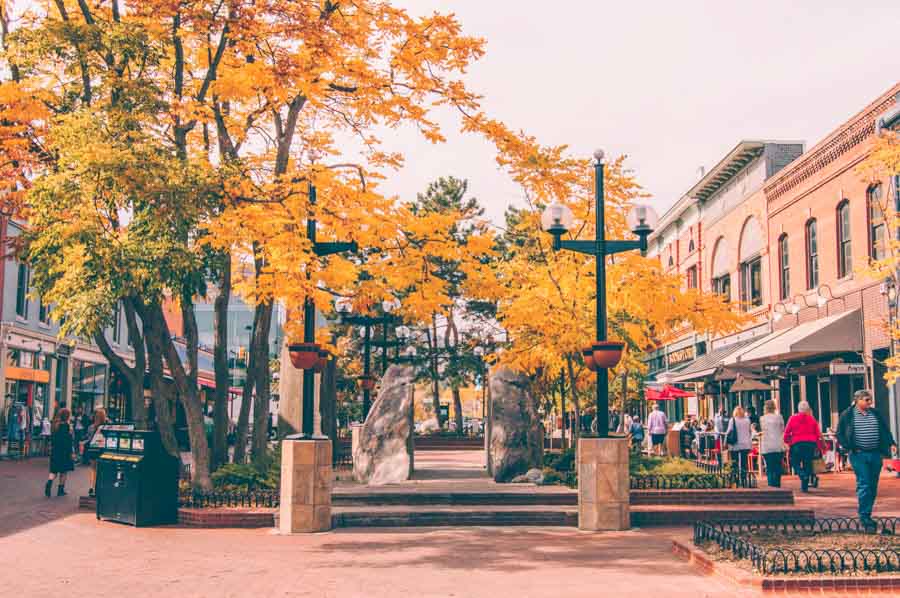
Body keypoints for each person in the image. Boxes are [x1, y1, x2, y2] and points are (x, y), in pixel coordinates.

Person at [836, 389, 897, 528]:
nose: (870, 402)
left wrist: (891, 443)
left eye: (870, 399)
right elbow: (839, 433)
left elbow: (885, 429)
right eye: (866, 400)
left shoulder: (875, 413)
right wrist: (848, 447)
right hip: (858, 454)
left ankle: (867, 513)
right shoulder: (848, 414)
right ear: (857, 400)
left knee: (873, 485)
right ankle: (864, 515)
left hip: (875, 454)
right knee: (864, 483)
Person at [783, 401, 824, 493]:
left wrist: (788, 441)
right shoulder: (812, 419)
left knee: (794, 462)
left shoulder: (792, 418)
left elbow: (786, 432)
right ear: (807, 409)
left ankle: (802, 475)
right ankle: (804, 487)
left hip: (797, 443)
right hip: (810, 444)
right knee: (807, 464)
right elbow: (817, 434)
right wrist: (818, 446)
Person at [45, 408, 74, 497]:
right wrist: (71, 452)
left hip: (55, 450)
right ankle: (60, 490)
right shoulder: (67, 427)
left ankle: (49, 483)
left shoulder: (55, 425)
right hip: (64, 451)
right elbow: (68, 441)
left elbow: (52, 439)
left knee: (53, 470)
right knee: (63, 471)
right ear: (67, 416)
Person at [759, 399, 786, 488]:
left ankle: (771, 485)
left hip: (767, 446)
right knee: (778, 466)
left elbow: (763, 430)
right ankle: (777, 484)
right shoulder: (779, 417)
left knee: (770, 467)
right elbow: (782, 429)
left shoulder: (762, 418)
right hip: (778, 445)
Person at [84, 408, 108, 497]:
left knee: (93, 469)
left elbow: (88, 438)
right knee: (101, 469)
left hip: (92, 450)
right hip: (102, 450)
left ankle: (92, 487)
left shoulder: (91, 427)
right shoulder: (106, 427)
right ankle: (99, 487)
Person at [725, 406, 752, 473]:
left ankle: (736, 476)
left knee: (734, 461)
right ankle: (744, 477)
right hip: (746, 444)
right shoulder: (747, 420)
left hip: (735, 444)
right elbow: (749, 431)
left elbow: (728, 431)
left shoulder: (732, 420)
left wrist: (725, 442)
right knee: (744, 462)